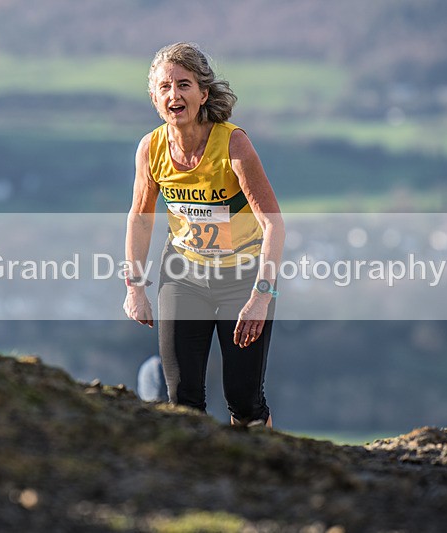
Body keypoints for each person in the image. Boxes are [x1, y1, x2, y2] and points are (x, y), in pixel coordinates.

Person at [123, 42, 284, 427]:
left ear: (203, 93)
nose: (174, 94)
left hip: (242, 279)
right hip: (184, 277)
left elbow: (273, 224)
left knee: (244, 400)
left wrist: (261, 297)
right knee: (184, 401)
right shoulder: (151, 148)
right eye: (165, 87)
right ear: (154, 98)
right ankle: (195, 482)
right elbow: (141, 218)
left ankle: (256, 474)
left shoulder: (233, 143)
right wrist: (135, 289)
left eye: (183, 84)